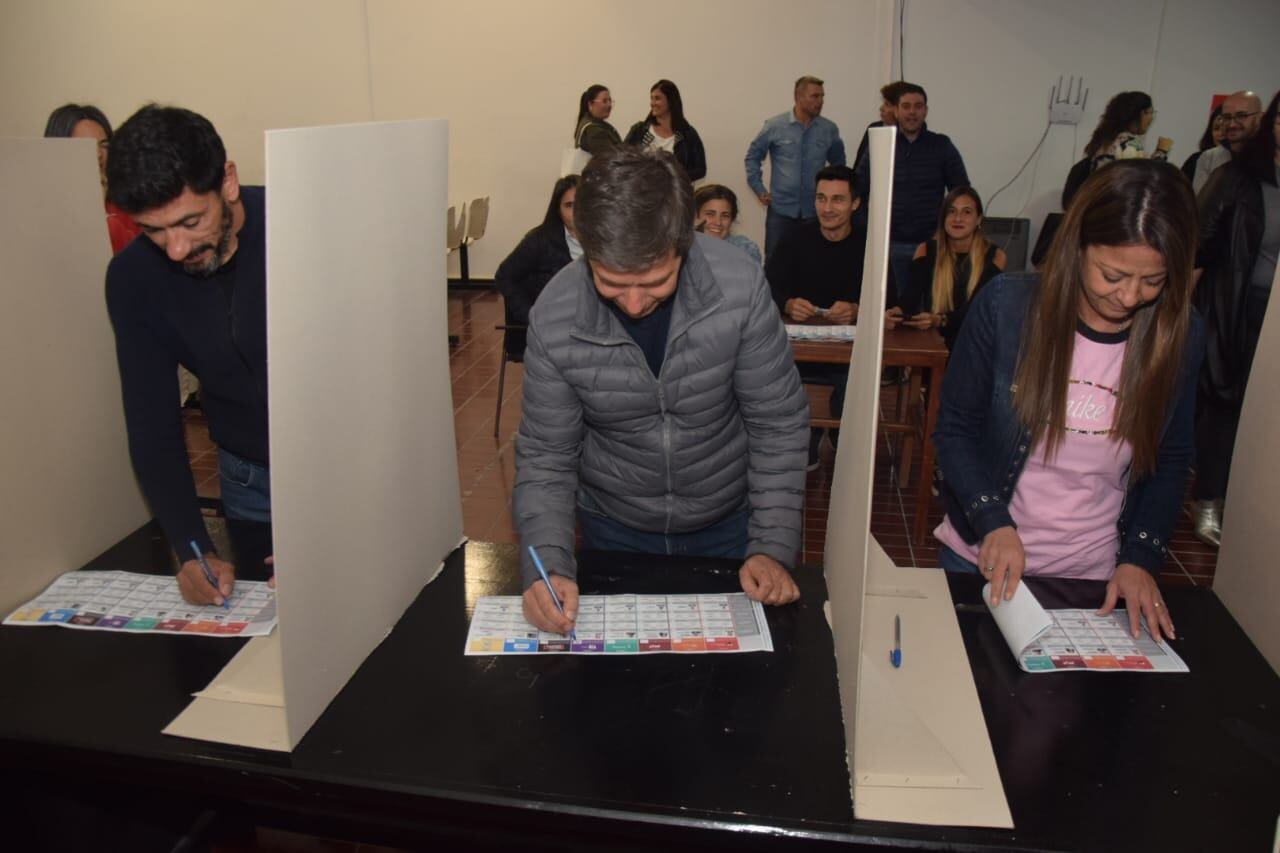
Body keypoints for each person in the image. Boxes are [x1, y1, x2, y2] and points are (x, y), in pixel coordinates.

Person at [513, 146, 809, 634]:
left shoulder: (740, 289)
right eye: (611, 283)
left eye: (654, 282)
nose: (632, 304)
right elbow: (546, 454)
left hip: (729, 525)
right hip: (613, 528)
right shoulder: (555, 315)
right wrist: (547, 565)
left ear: (683, 243)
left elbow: (777, 423)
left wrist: (771, 546)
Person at [932, 159, 1203, 645]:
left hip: (1090, 573)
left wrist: (1140, 558)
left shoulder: (1180, 334)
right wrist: (993, 520)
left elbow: (1171, 458)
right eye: (1112, 274)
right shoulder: (1007, 308)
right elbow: (954, 430)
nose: (1129, 296)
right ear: (1078, 247)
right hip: (980, 556)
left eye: (1153, 282)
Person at [105, 105, 272, 606]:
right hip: (251, 481)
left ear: (228, 182)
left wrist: (337, 531)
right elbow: (152, 426)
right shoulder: (135, 279)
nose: (175, 249)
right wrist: (192, 547)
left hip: (350, 465)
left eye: (190, 221)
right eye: (153, 230)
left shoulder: (303, 227)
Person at [1190, 89, 1280, 546]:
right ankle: (1208, 501)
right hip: (1236, 312)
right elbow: (1198, 247)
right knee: (1225, 407)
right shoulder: (1236, 177)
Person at [765, 165, 868, 469]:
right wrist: (787, 303)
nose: (827, 208)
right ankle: (804, 434)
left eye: (837, 200)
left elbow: (891, 297)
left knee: (855, 382)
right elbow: (768, 285)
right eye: (821, 198)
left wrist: (857, 309)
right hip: (799, 344)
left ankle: (839, 429)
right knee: (777, 374)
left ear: (855, 204)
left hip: (849, 349)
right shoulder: (795, 238)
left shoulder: (868, 245)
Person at [854, 82, 969, 297]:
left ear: (926, 110)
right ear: (896, 111)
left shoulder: (941, 145)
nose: (912, 112)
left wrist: (943, 232)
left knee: (926, 309)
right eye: (906, 106)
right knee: (890, 311)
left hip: (930, 245)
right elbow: (858, 190)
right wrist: (866, 232)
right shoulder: (880, 144)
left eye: (918, 106)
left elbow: (962, 192)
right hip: (887, 246)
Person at [890, 186, 1007, 351]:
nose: (957, 218)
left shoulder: (995, 256)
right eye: (951, 211)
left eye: (967, 212)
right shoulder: (925, 250)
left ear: (979, 219)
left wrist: (941, 319)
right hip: (933, 342)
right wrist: (896, 311)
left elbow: (977, 310)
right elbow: (910, 298)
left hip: (974, 345)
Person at [745, 75, 846, 259]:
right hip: (781, 211)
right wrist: (759, 189)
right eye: (815, 96)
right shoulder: (775, 126)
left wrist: (834, 200)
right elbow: (753, 157)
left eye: (822, 96)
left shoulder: (829, 129)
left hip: (815, 212)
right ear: (799, 97)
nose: (820, 101)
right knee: (776, 261)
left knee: (814, 261)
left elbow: (839, 167)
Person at [493, 176, 580, 359]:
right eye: (569, 205)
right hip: (553, 332)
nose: (578, 212)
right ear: (558, 209)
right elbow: (504, 276)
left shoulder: (606, 239)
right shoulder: (539, 240)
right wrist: (531, 316)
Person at [44, 103, 142, 254]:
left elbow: (135, 262)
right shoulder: (44, 212)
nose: (98, 154)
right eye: (85, 145)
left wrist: (100, 209)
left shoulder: (128, 206)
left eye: (103, 145)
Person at [1063, 91, 1171, 211]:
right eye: (1151, 113)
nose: (1151, 119)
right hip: (1115, 209)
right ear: (1141, 114)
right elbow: (1145, 179)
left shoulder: (1107, 139)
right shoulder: (1129, 143)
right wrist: (1162, 151)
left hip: (1097, 206)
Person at [624, 79, 706, 182]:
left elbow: (700, 170)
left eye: (657, 98)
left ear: (671, 101)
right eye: (651, 98)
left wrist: (672, 177)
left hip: (677, 195)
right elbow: (623, 161)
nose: (652, 103)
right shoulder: (639, 130)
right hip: (641, 194)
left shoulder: (688, 133)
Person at [1193, 90, 1264, 194]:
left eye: (1241, 116)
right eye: (1227, 117)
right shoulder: (1209, 158)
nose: (1232, 124)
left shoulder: (1272, 158)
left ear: (1259, 118)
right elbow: (1200, 206)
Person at [694, 184, 761, 264]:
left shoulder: (745, 250)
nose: (718, 222)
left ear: (732, 220)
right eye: (710, 214)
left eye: (725, 216)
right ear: (694, 216)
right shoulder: (682, 249)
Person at [853, 81, 911, 173]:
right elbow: (859, 169)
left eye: (887, 105)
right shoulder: (874, 128)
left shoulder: (913, 136)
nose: (881, 108)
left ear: (899, 109)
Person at [1181, 104, 1225, 183]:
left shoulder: (1242, 163)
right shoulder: (1196, 159)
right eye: (1216, 128)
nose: (1220, 133)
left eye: (1225, 129)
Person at [574, 84, 621, 156]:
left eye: (610, 100)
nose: (609, 105)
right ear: (590, 105)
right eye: (604, 101)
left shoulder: (591, 123)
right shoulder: (594, 130)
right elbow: (609, 159)